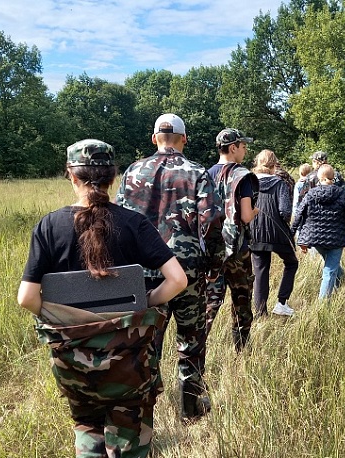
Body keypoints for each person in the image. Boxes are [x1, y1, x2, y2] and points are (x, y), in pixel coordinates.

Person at [17, 139, 188, 458]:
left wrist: (67, 320)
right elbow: (178, 280)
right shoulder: (134, 223)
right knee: (131, 444)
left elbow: (27, 298)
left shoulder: (48, 227)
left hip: (74, 365)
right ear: (113, 177)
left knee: (88, 431)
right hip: (130, 365)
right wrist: (147, 302)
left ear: (71, 175)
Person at [115, 114, 225, 423]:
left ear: (154, 138)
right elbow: (214, 223)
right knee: (191, 343)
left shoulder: (132, 172)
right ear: (184, 139)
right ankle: (189, 410)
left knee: (145, 346)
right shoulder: (197, 173)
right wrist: (215, 264)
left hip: (144, 275)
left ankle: (141, 420)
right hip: (189, 273)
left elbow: (117, 223)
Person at [205, 128, 259, 352]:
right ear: (233, 147)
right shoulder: (242, 175)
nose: (245, 150)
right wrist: (256, 211)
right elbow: (246, 216)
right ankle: (241, 351)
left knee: (209, 303)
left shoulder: (206, 174)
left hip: (212, 249)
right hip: (237, 249)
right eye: (243, 146)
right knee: (241, 301)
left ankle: (197, 351)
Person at [291, 164, 345, 300]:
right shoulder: (342, 194)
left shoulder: (311, 194)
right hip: (337, 239)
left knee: (331, 266)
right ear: (334, 177)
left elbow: (298, 216)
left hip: (316, 239)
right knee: (330, 270)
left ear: (319, 178)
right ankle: (322, 307)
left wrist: (295, 238)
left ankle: (340, 285)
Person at [249, 149, 298, 317]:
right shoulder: (280, 183)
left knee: (260, 271)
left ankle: (260, 312)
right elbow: (285, 211)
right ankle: (281, 302)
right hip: (278, 232)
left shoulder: (249, 182)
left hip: (254, 233)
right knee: (291, 262)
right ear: (273, 163)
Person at [297, 150, 345, 221]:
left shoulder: (310, 178)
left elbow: (303, 198)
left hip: (316, 216)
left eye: (313, 161)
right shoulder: (336, 175)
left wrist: (300, 216)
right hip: (337, 215)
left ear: (317, 162)